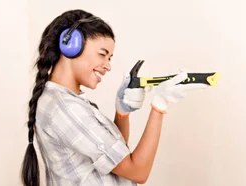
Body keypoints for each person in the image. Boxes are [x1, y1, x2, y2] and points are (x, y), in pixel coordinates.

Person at [20, 9, 209, 186]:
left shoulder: (68, 101)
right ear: (71, 46)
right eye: (102, 54)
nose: (107, 66)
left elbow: (116, 155)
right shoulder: (66, 109)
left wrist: (121, 113)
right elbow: (137, 171)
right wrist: (159, 106)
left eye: (109, 58)